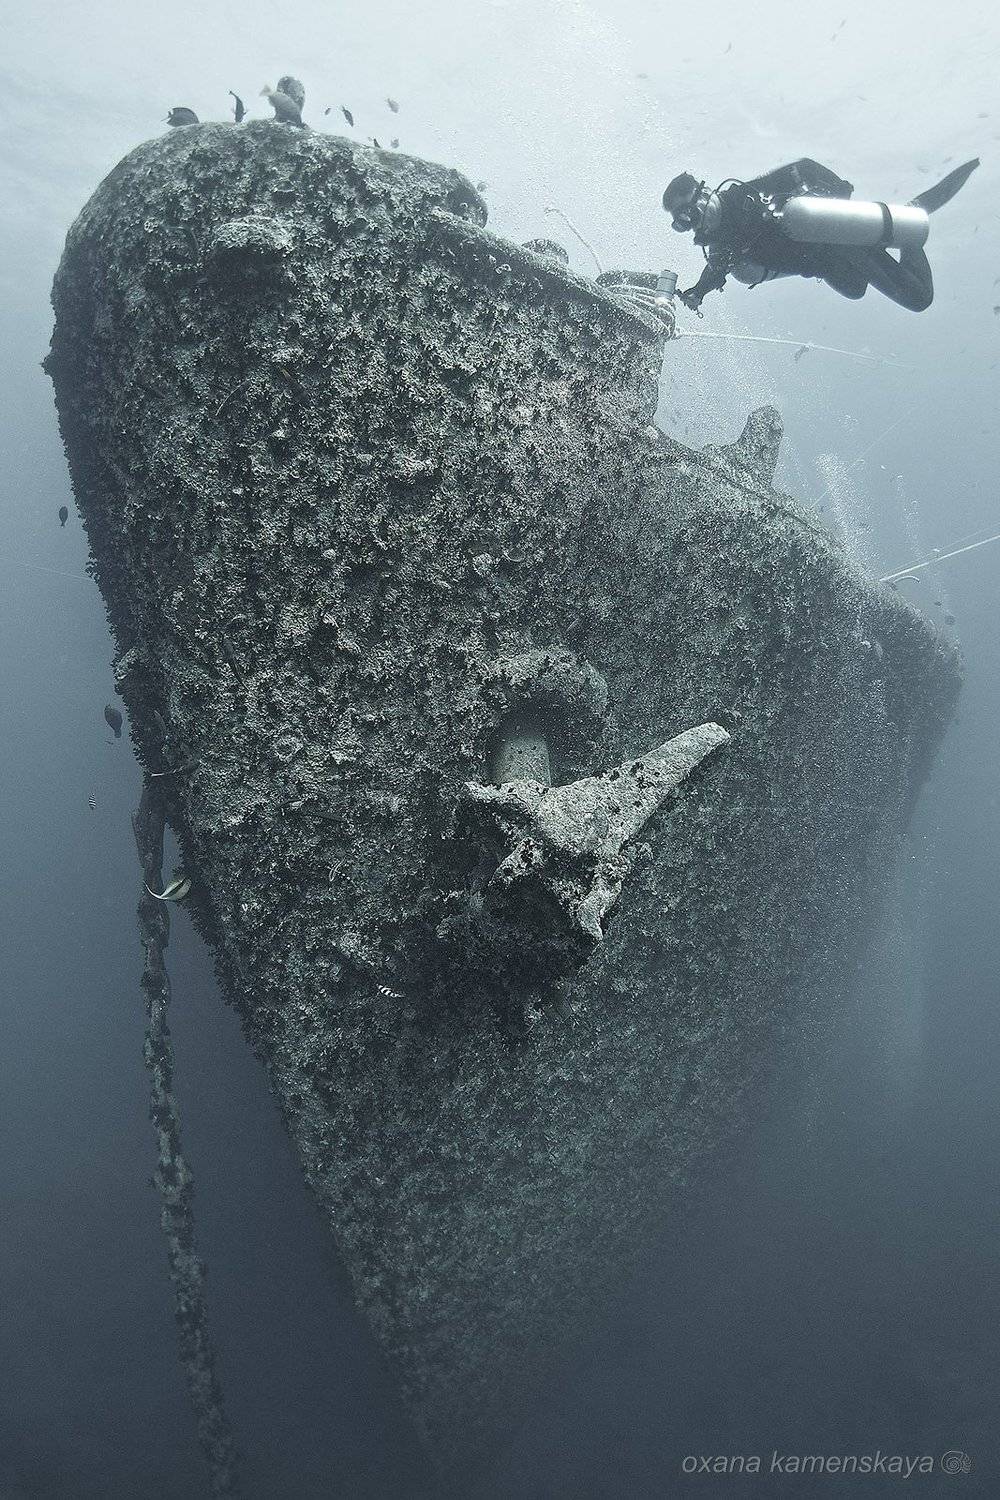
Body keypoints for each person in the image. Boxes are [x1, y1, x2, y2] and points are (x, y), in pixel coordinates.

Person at [663, 157, 979, 313]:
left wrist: (837, 193)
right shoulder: (722, 245)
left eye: (687, 213)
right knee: (856, 290)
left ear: (702, 192)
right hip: (826, 266)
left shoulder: (747, 196)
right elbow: (716, 271)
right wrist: (696, 292)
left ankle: (908, 228)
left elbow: (802, 168)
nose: (691, 224)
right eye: (682, 224)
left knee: (918, 299)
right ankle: (904, 222)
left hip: (841, 245)